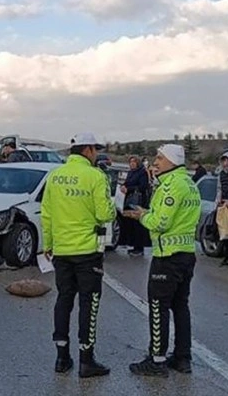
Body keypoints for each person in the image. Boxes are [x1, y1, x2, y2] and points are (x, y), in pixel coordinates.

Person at [41, 132, 116, 378]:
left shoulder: (55, 176)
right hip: (88, 251)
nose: (96, 154)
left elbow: (47, 214)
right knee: (89, 304)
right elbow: (105, 214)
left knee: (64, 300)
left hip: (62, 250)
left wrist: (48, 244)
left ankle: (61, 358)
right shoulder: (96, 176)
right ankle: (87, 359)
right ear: (88, 150)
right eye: (95, 149)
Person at [123, 144, 201, 377]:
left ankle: (156, 361)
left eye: (159, 158)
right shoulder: (188, 183)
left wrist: (142, 215)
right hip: (186, 254)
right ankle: (182, 357)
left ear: (172, 161)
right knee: (180, 306)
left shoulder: (171, 186)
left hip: (168, 257)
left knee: (158, 308)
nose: (155, 162)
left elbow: (160, 223)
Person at [121, 156, 150, 256]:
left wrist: (129, 189)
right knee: (131, 224)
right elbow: (127, 183)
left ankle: (139, 248)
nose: (132, 164)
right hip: (130, 200)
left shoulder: (142, 172)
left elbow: (143, 186)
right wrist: (123, 186)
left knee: (138, 225)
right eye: (130, 162)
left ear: (138, 163)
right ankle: (133, 246)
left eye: (134, 162)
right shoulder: (130, 172)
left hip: (139, 201)